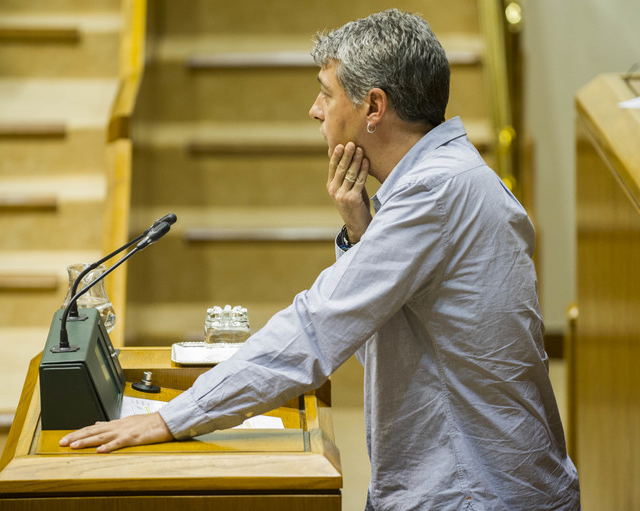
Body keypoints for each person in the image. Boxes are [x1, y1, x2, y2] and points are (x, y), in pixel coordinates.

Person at [61, 9, 580, 510]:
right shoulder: (444, 178)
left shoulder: (435, 193)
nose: (314, 109)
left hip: (476, 493)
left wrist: (173, 418)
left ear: (373, 108)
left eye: (326, 94)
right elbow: (390, 338)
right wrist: (359, 225)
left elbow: (319, 328)